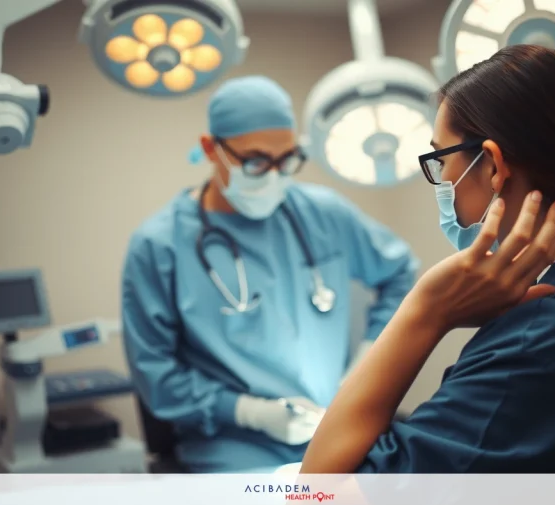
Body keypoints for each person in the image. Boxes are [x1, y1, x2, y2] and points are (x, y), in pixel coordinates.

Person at [299, 45, 555, 473]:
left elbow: (317, 495)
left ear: (493, 165)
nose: (442, 180)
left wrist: (425, 312)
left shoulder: (543, 339)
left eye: (441, 160)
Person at [121, 75, 420, 473]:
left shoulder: (322, 214)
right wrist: (249, 413)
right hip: (236, 446)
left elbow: (401, 273)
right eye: (256, 161)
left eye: (287, 159)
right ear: (211, 149)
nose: (275, 175)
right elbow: (157, 376)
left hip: (337, 425)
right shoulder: (160, 246)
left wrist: (367, 360)